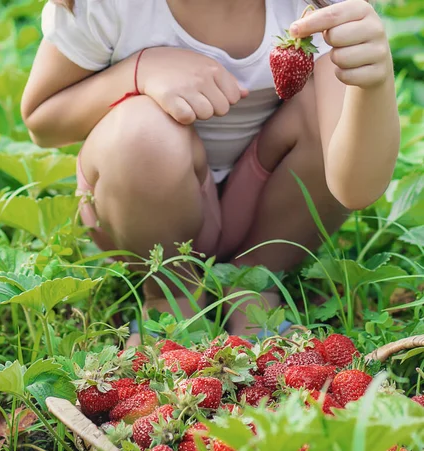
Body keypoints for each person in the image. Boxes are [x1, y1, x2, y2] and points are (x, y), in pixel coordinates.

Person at [21, 0, 399, 343]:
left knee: (335, 92)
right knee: (142, 132)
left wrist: (374, 80)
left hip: (270, 205)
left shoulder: (320, 9)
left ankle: (255, 281)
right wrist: (137, 72)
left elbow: (355, 189)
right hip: (141, 203)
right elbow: (43, 121)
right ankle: (171, 296)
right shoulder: (110, 6)